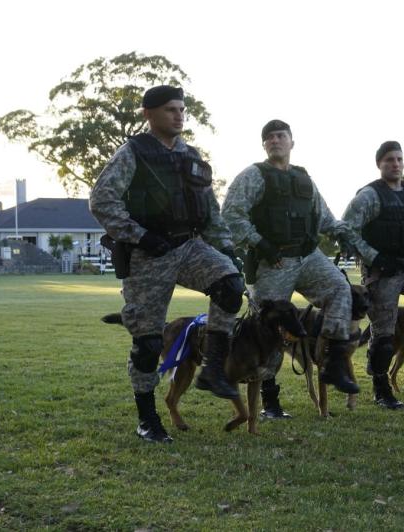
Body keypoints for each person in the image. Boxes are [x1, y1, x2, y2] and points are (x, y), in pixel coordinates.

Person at [90, 85, 244, 443]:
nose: (178, 115)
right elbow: (101, 201)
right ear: (149, 113)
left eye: (181, 109)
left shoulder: (192, 156)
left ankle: (213, 370)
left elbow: (209, 211)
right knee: (147, 344)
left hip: (189, 246)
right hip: (147, 256)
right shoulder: (133, 153)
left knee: (230, 286)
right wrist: (139, 236)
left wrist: (227, 249)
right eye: (170, 109)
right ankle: (147, 419)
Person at [222, 119, 360, 417]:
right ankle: (268, 402)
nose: (275, 141)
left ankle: (335, 361)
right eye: (269, 137)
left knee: (339, 288)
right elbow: (231, 214)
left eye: (280, 136)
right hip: (273, 261)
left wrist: (343, 234)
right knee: (266, 329)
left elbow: (324, 217)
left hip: (308, 257)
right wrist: (261, 243)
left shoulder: (303, 179)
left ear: (291, 142)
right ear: (264, 145)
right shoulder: (254, 176)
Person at [342, 140, 404, 410]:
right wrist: (375, 257)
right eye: (389, 160)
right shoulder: (370, 196)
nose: (395, 164)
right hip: (382, 271)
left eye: (398, 159)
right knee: (384, 334)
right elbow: (346, 229)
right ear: (379, 164)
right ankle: (381, 389)